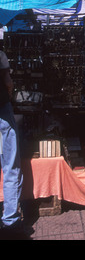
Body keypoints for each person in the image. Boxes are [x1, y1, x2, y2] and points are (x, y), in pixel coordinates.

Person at [0, 50, 23, 236]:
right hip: (2, 113)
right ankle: (10, 220)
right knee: (10, 167)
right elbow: (8, 83)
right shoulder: (0, 55)